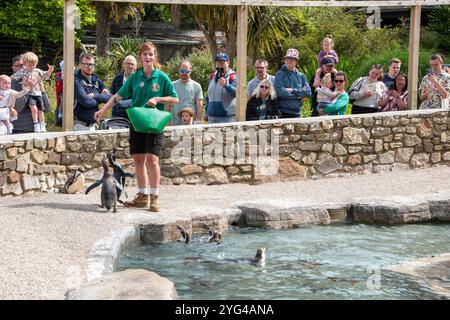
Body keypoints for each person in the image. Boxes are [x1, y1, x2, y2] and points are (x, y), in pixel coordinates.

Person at [94, 42, 179, 212]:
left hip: (154, 124)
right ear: (141, 57)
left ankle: (154, 197)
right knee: (138, 160)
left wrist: (158, 99)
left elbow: (175, 98)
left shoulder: (161, 77)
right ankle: (142, 195)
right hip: (137, 122)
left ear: (154, 57)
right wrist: (103, 110)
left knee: (153, 160)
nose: (148, 57)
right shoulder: (135, 77)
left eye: (151, 54)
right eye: (145, 54)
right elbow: (118, 96)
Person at [10, 51, 55, 133]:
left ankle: (41, 124)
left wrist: (42, 88)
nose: (22, 68)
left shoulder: (36, 76)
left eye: (32, 64)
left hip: (37, 131)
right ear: (13, 67)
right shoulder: (10, 84)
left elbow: (47, 108)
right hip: (20, 129)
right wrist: (27, 89)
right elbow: (18, 108)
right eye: (19, 65)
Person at [74, 52, 112, 131]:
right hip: (80, 125)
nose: (90, 67)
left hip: (94, 125)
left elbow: (110, 98)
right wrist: (101, 99)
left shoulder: (96, 80)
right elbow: (86, 102)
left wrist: (94, 96)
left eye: (92, 64)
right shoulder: (76, 80)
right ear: (80, 65)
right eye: (86, 64)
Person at [274, 48, 312, 118]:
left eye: (291, 59)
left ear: (296, 62)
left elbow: (308, 93)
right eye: (287, 58)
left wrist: (292, 90)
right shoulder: (279, 74)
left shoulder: (302, 76)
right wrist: (299, 96)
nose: (288, 60)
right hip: (282, 113)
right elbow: (280, 92)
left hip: (297, 113)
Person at [205, 52, 237, 123]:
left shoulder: (233, 76)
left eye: (222, 63)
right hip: (211, 119)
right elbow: (208, 96)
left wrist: (226, 85)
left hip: (227, 119)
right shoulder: (212, 76)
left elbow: (236, 94)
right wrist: (207, 111)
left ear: (228, 62)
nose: (219, 65)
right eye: (217, 63)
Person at [171, 60, 203, 125]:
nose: (184, 73)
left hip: (191, 125)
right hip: (175, 124)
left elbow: (199, 106)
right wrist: (168, 122)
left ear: (190, 71)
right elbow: (167, 106)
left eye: (186, 71)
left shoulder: (196, 86)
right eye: (182, 71)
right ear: (179, 70)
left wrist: (198, 122)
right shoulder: (172, 85)